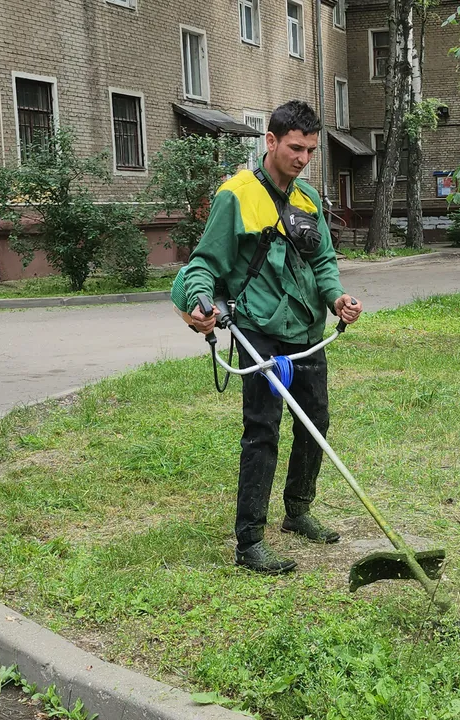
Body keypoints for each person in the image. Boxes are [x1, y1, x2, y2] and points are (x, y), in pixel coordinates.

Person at [183, 100, 362, 574]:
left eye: (310, 151)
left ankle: (298, 511)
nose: (303, 159)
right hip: (258, 329)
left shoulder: (307, 200)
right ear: (270, 141)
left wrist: (337, 299)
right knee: (262, 430)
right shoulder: (236, 195)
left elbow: (323, 261)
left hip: (306, 330)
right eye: (295, 148)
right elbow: (203, 264)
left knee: (315, 422)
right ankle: (250, 542)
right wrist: (202, 302)